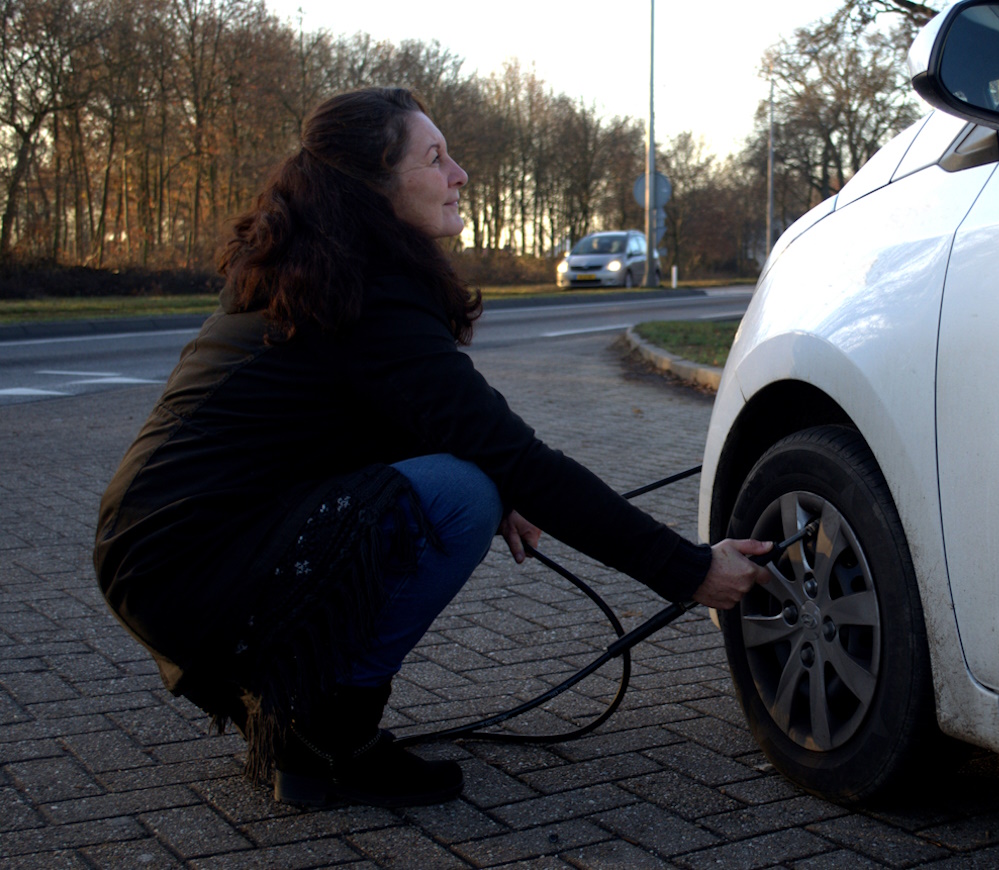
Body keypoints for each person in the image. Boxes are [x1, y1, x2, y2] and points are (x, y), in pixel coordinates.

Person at [93, 87, 770, 809]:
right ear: (372, 185)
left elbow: (385, 419)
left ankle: (303, 727)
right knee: (459, 497)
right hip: (187, 564)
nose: (461, 175)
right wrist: (690, 571)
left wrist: (504, 482)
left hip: (154, 550)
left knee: (472, 482)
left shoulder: (322, 274)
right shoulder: (369, 296)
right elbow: (519, 458)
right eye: (435, 157)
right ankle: (330, 741)